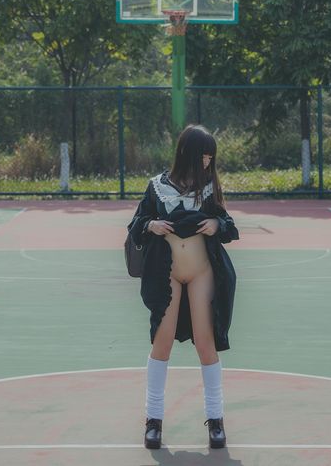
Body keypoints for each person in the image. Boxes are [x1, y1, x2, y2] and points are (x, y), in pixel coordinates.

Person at [127, 125, 240, 450]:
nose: (208, 162)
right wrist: (151, 224)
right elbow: (136, 224)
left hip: (203, 273)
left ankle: (216, 420)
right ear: (186, 153)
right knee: (161, 343)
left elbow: (229, 225)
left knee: (206, 343)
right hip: (168, 275)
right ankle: (153, 420)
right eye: (203, 155)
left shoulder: (209, 189)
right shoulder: (157, 187)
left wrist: (217, 223)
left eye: (211, 157)